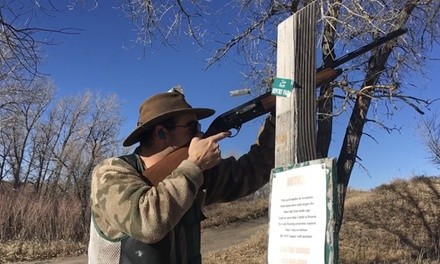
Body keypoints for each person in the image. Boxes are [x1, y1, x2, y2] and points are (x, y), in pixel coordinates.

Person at [88, 86, 275, 264]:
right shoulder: (110, 172)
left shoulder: (192, 175)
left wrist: (276, 120)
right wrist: (194, 165)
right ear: (161, 132)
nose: (200, 134)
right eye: (192, 127)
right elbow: (146, 223)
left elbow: (252, 171)